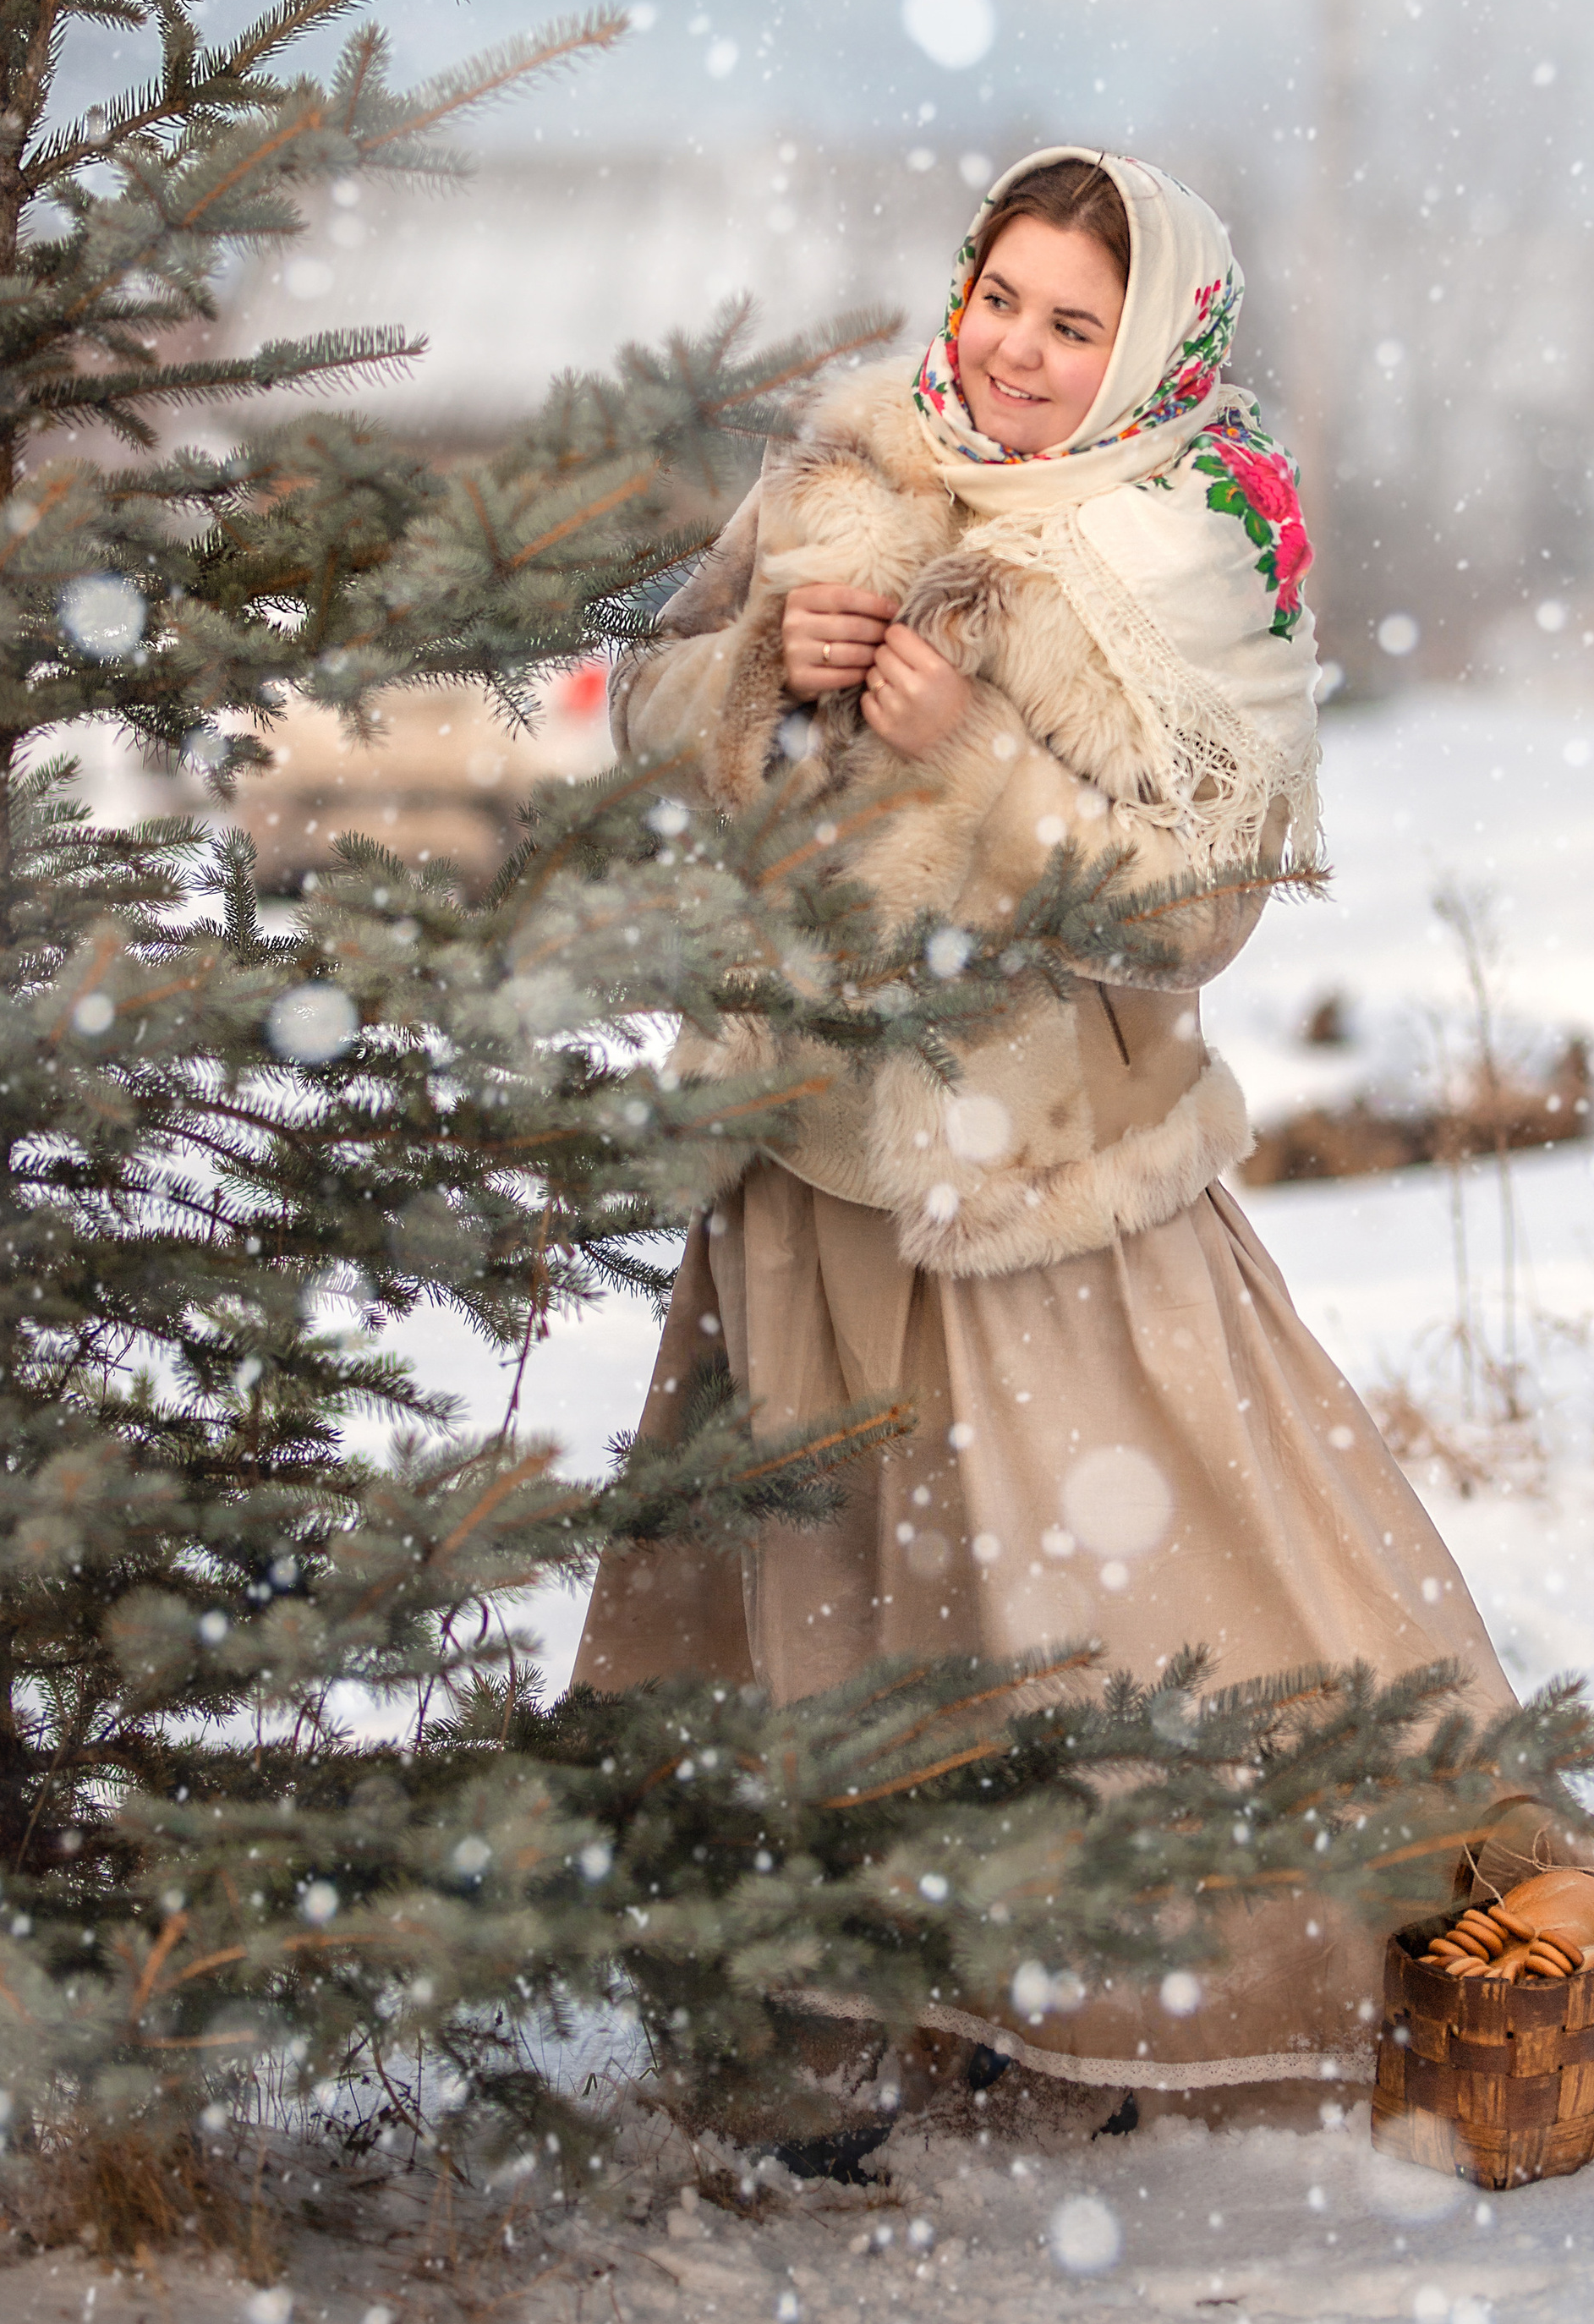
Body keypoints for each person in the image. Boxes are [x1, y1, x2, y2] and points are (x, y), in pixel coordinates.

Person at [574, 145, 1520, 2109]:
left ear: (1148, 339)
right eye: (996, 296)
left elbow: (1199, 912)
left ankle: (1161, 1974)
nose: (1011, 348)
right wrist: (759, 669)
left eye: (1069, 323)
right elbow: (646, 699)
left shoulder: (1183, 551)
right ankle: (842, 1988)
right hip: (796, 1116)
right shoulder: (846, 457)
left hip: (1028, 1170)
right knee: (821, 1566)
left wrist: (977, 758)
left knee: (1107, 1587)